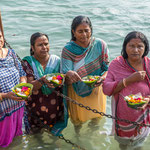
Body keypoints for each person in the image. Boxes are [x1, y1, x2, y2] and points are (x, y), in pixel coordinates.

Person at [61, 15, 109, 133]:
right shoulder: (68, 50)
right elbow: (66, 74)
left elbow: (107, 68)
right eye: (80, 31)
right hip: (77, 90)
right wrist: (69, 74)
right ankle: (78, 137)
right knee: (78, 121)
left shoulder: (100, 45)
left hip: (96, 87)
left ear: (91, 30)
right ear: (73, 32)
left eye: (86, 30)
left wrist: (102, 78)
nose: (84, 35)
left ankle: (92, 136)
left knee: (96, 117)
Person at [103, 31, 150, 149]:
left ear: (145, 48)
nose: (135, 50)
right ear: (125, 47)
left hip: (144, 117)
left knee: (139, 144)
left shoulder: (148, 64)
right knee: (123, 144)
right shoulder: (116, 64)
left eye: (140, 46)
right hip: (123, 117)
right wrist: (128, 80)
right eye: (131, 46)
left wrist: (147, 101)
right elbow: (106, 89)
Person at [22, 32, 68, 136]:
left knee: (55, 140)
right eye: (40, 45)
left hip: (55, 109)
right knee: (36, 139)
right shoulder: (28, 63)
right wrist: (42, 80)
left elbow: (63, 80)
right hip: (34, 111)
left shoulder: (56, 61)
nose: (44, 47)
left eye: (46, 44)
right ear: (32, 48)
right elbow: (29, 86)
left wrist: (61, 79)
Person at [0, 30, 27, 147]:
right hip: (2, 113)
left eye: (0, 36)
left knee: (17, 141)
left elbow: (22, 74)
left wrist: (23, 88)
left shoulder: (11, 53)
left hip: (18, 107)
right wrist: (6, 95)